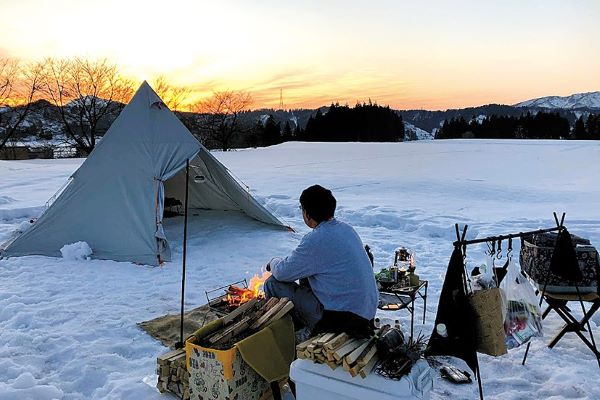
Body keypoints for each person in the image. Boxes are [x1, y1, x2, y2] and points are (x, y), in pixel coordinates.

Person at [264, 184, 379, 337]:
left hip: (342, 320)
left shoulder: (316, 239)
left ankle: (294, 333)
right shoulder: (346, 229)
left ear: (307, 214)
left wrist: (273, 262)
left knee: (272, 283)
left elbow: (283, 273)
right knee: (306, 274)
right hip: (366, 312)